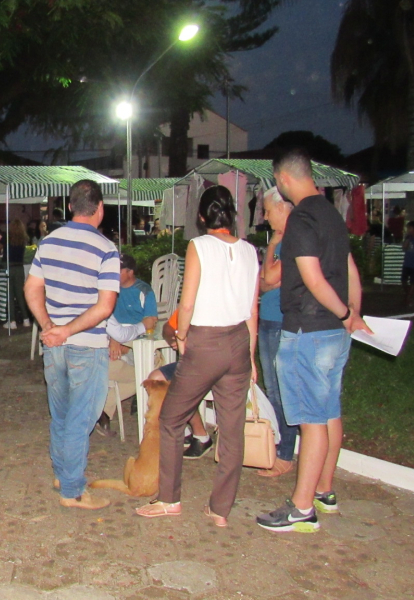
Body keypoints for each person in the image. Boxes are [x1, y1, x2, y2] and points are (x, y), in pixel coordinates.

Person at [256, 148, 370, 533]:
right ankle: (323, 491)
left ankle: (302, 509)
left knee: (311, 421)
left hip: (309, 329)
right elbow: (350, 268)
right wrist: (353, 312)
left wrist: (342, 313)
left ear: (284, 180)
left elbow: (313, 277)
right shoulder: (331, 214)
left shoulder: (302, 218)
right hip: (335, 334)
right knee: (328, 411)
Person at [135, 185, 259, 527]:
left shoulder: (199, 246)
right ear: (232, 215)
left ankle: (169, 499)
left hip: (206, 341)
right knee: (232, 430)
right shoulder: (249, 251)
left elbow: (186, 302)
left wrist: (183, 336)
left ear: (202, 217)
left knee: (172, 419)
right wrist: (251, 355)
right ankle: (220, 510)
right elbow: (251, 310)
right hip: (238, 341)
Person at [24, 179, 120, 511]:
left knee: (61, 415)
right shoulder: (106, 249)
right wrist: (65, 330)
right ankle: (73, 490)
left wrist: (50, 326)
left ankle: (62, 474)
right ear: (100, 209)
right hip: (86, 345)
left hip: (55, 346)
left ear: (69, 207)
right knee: (80, 418)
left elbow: (32, 290)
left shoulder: (47, 243)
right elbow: (105, 306)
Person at [255, 187, 299, 477]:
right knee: (273, 388)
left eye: (269, 210)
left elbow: (269, 277)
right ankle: (279, 444)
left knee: (284, 388)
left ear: (284, 208)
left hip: (284, 321)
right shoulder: (281, 242)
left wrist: (270, 267)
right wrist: (273, 247)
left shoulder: (296, 240)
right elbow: (263, 282)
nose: (265, 216)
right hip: (268, 319)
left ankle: (286, 453)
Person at [98, 254, 158, 436]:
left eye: (118, 270)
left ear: (130, 272)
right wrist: (116, 340)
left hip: (137, 342)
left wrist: (125, 342)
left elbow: (150, 322)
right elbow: (110, 323)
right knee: (131, 373)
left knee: (149, 369)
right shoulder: (110, 291)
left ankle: (102, 411)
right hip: (114, 341)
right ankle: (103, 411)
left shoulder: (144, 291)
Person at [142, 309, 214, 458]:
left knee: (181, 384)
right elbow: (167, 328)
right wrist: (174, 339)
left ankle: (201, 436)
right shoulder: (190, 305)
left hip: (214, 362)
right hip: (190, 363)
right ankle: (183, 430)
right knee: (156, 381)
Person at [3, 218, 31, 330]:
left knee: (10, 295)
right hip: (19, 267)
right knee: (20, 295)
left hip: (9, 267)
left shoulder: (7, 237)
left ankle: (12, 321)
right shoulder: (24, 238)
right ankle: (26, 319)